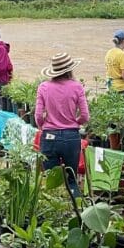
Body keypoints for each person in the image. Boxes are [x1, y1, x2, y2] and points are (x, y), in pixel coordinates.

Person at [35, 52, 89, 196]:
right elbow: (85, 115)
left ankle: (54, 213)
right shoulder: (77, 87)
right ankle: (75, 210)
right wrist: (74, 123)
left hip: (49, 136)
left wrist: (43, 126)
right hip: (71, 136)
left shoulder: (44, 87)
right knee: (71, 179)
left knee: (52, 181)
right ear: (69, 69)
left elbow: (38, 115)